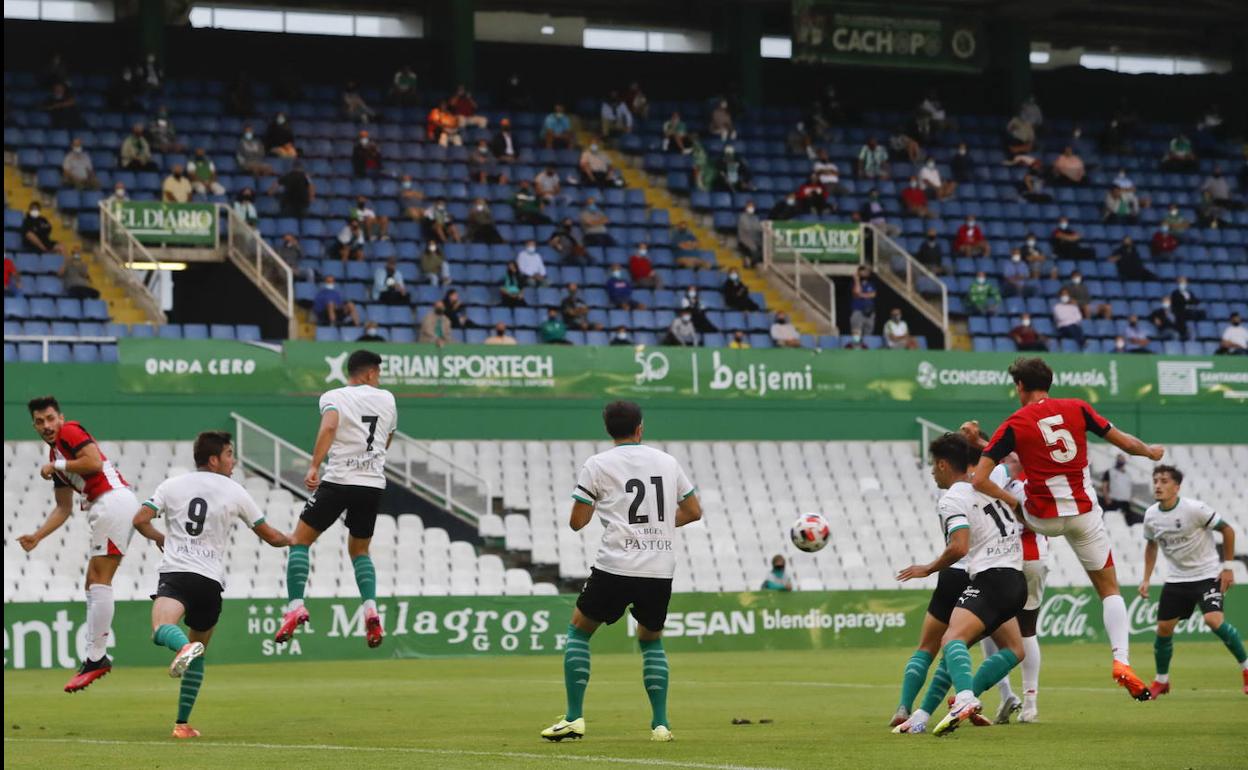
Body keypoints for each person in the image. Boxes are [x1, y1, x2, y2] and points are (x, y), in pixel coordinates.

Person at [966, 357, 1165, 702]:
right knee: (1110, 590)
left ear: (1020, 387)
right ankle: (1121, 660)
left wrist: (1014, 504)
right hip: (1084, 513)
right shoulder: (1078, 408)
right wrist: (1151, 451)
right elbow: (1127, 444)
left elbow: (981, 479)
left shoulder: (1014, 422)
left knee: (1011, 486)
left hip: (1040, 518)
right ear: (1050, 382)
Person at [541, 401, 700, 743]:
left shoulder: (597, 464)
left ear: (607, 430)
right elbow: (693, 511)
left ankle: (573, 718)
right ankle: (660, 724)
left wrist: (601, 504)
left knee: (579, 632)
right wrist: (657, 524)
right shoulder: (667, 461)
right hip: (659, 567)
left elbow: (577, 523)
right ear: (641, 428)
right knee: (651, 640)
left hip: (617, 564)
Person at [132, 431, 290, 739]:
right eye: (230, 454)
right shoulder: (236, 491)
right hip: (210, 582)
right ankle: (182, 724)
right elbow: (270, 536)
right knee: (200, 653)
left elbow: (140, 518)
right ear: (214, 459)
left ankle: (183, 647)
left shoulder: (172, 484)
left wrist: (160, 538)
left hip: (177, 574)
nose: (234, 461)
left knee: (160, 629)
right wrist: (294, 539)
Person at [892, 432, 1026, 736]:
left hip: (987, 577)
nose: (930, 472)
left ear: (942, 465)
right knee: (1013, 650)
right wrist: (980, 441)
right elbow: (1013, 460)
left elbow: (959, 547)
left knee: (949, 642)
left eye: (931, 466)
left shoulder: (952, 497)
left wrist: (927, 568)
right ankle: (922, 715)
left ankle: (964, 697)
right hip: (1015, 580)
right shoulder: (994, 476)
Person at [275, 351, 397, 649]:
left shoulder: (334, 395)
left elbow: (329, 427)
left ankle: (295, 606)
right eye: (377, 373)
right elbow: (387, 438)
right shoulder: (388, 399)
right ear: (369, 374)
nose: (378, 379)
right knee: (359, 551)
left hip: (339, 480)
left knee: (300, 541)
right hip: (371, 485)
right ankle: (370, 609)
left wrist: (315, 465)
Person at [19, 396, 140, 693]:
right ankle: (94, 656)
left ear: (60, 417)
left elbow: (94, 462)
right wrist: (38, 535)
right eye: (39, 421)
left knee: (99, 581)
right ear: (33, 425)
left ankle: (96, 658)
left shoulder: (70, 431)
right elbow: (63, 508)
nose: (46, 426)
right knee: (93, 582)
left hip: (111, 502)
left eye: (50, 418)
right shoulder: (55, 458)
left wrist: (57, 463)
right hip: (106, 506)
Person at [1140, 465, 1246, 698]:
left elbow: (1227, 530)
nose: (1158, 485)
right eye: (1156, 480)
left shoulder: (1194, 509)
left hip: (1207, 575)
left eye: (1164, 481)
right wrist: (1146, 579)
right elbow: (1151, 545)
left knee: (1213, 620)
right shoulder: (1151, 515)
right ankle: (1162, 681)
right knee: (1164, 629)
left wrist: (1228, 568)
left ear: (1176, 487)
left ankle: (1246, 669)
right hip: (1177, 579)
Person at [850, 265, 877, 336]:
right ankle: (856, 347)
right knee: (856, 333)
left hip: (869, 312)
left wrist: (861, 295)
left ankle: (866, 346)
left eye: (866, 271)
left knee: (868, 333)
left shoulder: (871, 284)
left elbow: (873, 295)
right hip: (858, 311)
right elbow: (857, 292)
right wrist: (856, 280)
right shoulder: (855, 283)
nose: (864, 273)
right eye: (862, 271)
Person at [737, 202, 763, 266]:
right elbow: (748, 228)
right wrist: (758, 227)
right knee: (754, 249)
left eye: (752, 207)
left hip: (756, 239)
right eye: (749, 207)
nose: (751, 208)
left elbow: (759, 228)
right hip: (745, 240)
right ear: (746, 208)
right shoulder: (742, 217)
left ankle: (755, 262)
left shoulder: (755, 217)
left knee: (764, 248)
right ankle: (750, 263)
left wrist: (760, 228)